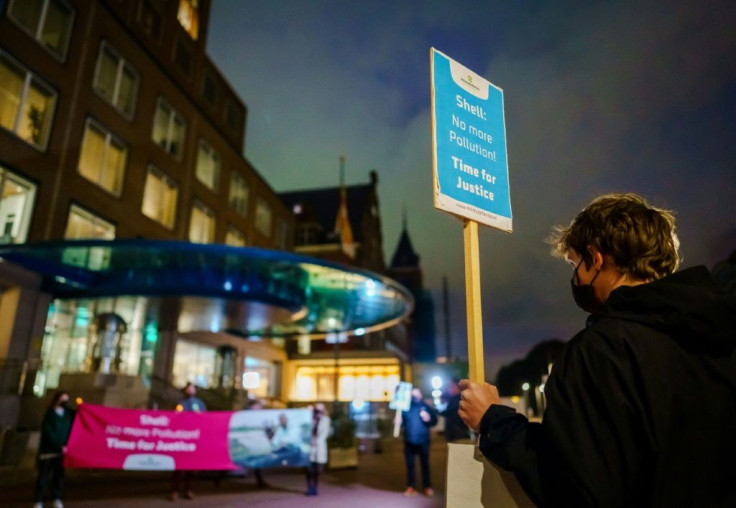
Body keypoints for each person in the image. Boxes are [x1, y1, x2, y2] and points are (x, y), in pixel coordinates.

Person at [458, 193, 736, 507]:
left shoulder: (602, 351)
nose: (576, 277)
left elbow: (574, 483)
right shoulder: (720, 336)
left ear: (597, 259)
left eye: (576, 264)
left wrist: (493, 421)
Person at [34, 391, 76, 508]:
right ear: (57, 400)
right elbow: (48, 432)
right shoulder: (50, 414)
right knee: (43, 477)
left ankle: (56, 498)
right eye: (63, 400)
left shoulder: (68, 414)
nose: (65, 403)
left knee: (58, 477)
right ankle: (38, 500)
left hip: (62, 452)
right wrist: (59, 445)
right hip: (48, 452)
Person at [171, 382, 206, 501]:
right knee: (179, 467)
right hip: (182, 438)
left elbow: (206, 418)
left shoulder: (199, 403)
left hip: (195, 438)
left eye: (192, 388)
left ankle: (188, 490)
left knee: (192, 467)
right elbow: (174, 417)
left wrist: (199, 415)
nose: (190, 390)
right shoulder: (180, 403)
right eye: (188, 388)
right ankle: (175, 491)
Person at [401, 387, 438, 497]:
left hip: (423, 441)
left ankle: (427, 486)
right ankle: (411, 486)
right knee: (410, 465)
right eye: (413, 395)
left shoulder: (426, 407)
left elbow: (434, 421)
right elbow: (402, 423)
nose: (415, 397)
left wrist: (428, 419)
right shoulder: (405, 408)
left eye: (417, 395)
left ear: (421, 395)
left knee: (424, 464)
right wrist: (397, 422)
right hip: (409, 441)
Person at [305, 403, 331, 496]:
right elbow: (306, 431)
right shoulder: (310, 419)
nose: (318, 412)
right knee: (309, 469)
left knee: (318, 470)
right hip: (310, 448)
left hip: (320, 447)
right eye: (317, 410)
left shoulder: (326, 420)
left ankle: (315, 486)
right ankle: (309, 488)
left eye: (321, 410)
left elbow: (324, 434)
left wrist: (316, 441)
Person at [440, 377, 470, 443]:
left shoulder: (457, 399)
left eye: (450, 386)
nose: (448, 389)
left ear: (457, 387)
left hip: (458, 434)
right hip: (458, 433)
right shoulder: (458, 398)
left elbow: (446, 412)